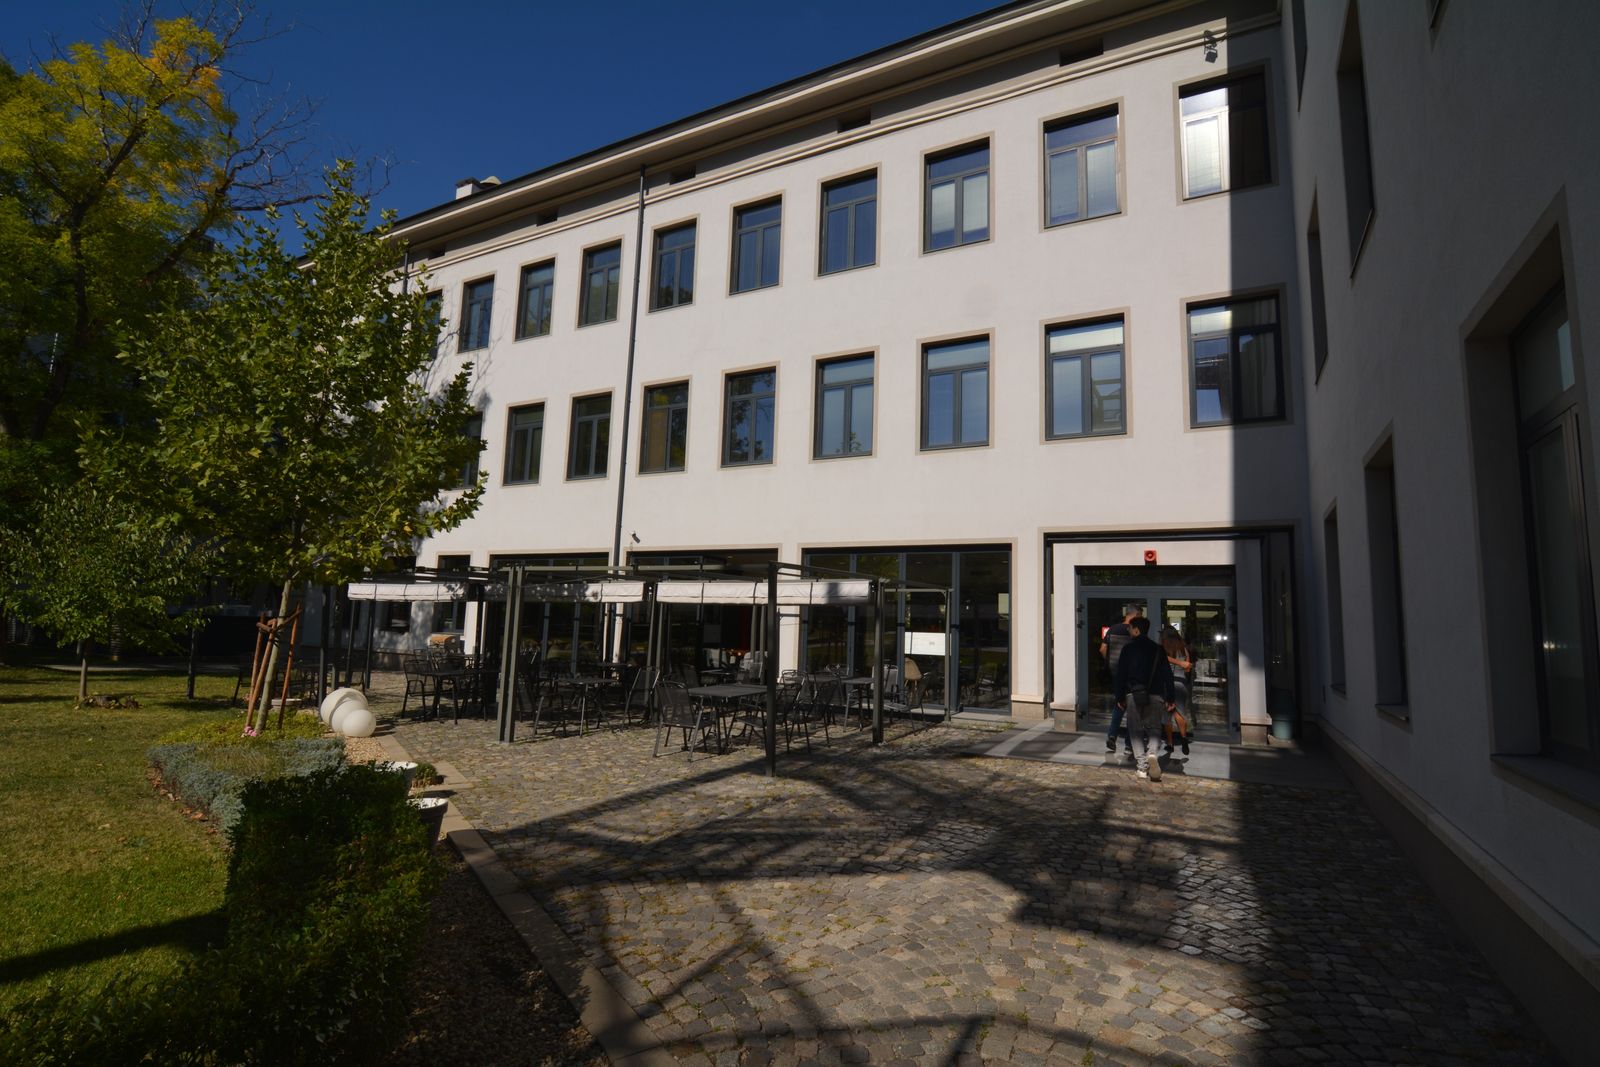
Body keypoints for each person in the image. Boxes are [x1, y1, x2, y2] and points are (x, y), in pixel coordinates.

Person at [1113, 615, 1176, 780]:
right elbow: (1167, 675)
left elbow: (1121, 675)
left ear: (1136, 630)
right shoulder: (1158, 649)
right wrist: (1171, 697)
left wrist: (1119, 697)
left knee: (1135, 732)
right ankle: (1153, 753)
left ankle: (1142, 767)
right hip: (1156, 695)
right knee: (1155, 729)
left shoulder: (1128, 649)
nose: (1128, 631)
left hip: (1133, 695)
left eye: (1130, 628)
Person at [1101, 607, 1143, 755]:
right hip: (1131, 674)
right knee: (1132, 707)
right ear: (1136, 615)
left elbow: (1102, 649)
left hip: (1116, 673)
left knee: (1119, 704)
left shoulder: (1112, 629)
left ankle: (1112, 735)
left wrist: (1111, 664)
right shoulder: (1135, 631)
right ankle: (1128, 744)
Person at [1161, 625, 1193, 756]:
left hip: (1167, 683)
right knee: (1180, 712)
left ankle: (1170, 743)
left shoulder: (1164, 649)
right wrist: (1182, 665)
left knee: (1167, 715)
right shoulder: (1184, 649)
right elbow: (1188, 668)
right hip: (1181, 684)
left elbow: (1163, 660)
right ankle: (1184, 737)